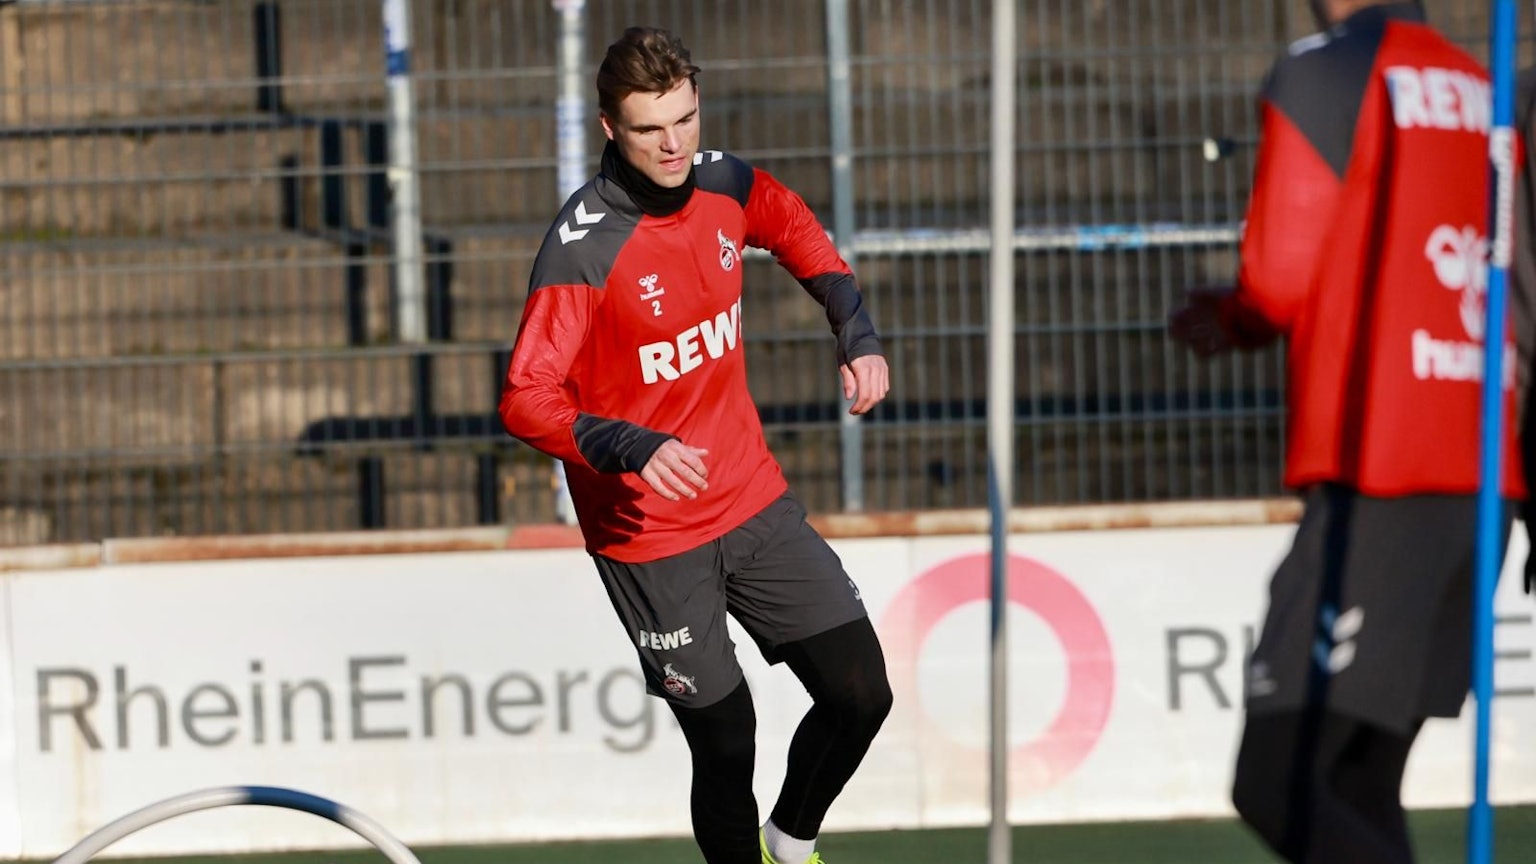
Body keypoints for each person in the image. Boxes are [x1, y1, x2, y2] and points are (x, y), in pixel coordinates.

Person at [498, 26, 892, 864]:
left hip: (750, 497)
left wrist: (854, 330)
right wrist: (628, 444)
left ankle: (791, 840)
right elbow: (525, 400)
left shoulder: (724, 183)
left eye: (685, 118)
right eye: (650, 128)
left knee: (861, 693)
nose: (674, 143)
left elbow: (798, 231)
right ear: (611, 128)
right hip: (650, 535)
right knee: (726, 740)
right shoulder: (583, 250)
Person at [1168, 1, 1525, 862]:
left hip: (1382, 467)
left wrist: (1235, 316)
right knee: (1358, 781)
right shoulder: (1487, 88)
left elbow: (1278, 277)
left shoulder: (1327, 68)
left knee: (1277, 775)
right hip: (1484, 471)